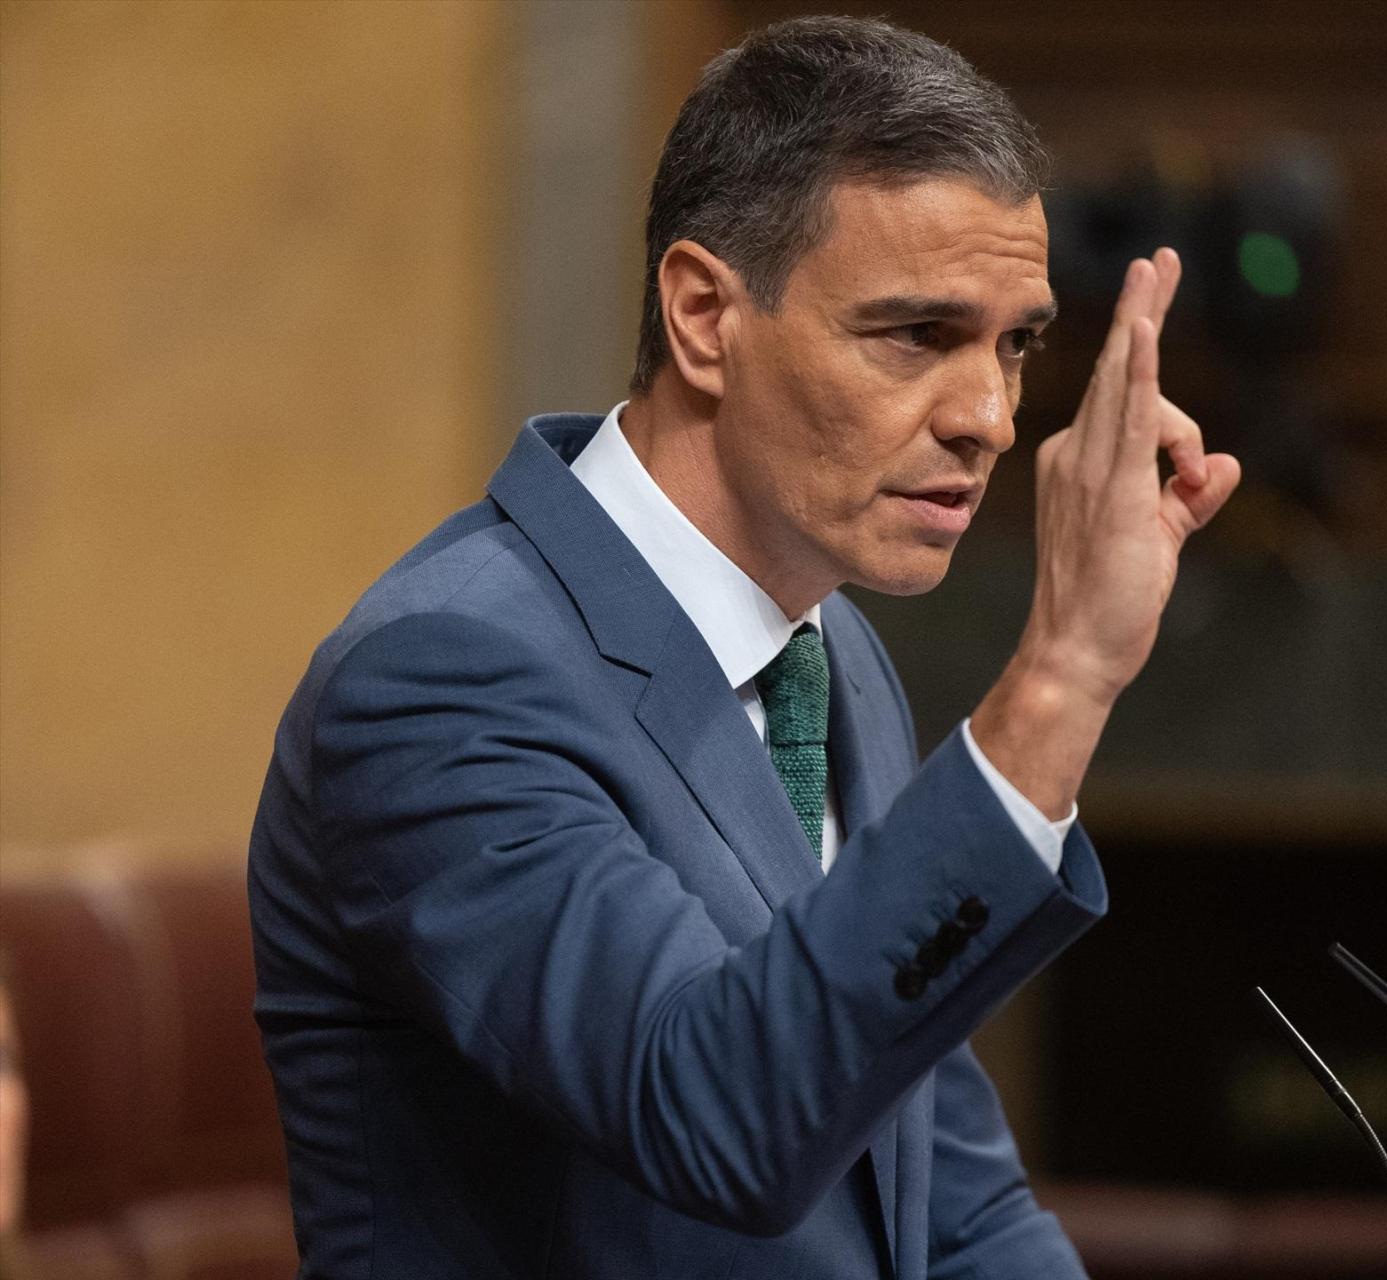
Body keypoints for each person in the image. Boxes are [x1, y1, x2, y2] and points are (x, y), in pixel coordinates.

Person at [249, 15, 1238, 1279]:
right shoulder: (441, 676)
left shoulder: (833, 659)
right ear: (706, 313)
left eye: (1015, 344)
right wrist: (1059, 679)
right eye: (916, 335)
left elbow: (952, 1203)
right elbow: (714, 1112)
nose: (990, 417)